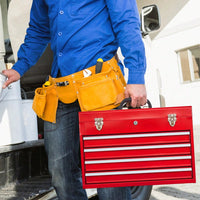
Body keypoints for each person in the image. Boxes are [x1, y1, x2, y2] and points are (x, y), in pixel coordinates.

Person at [2, 0, 147, 199]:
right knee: (60, 171)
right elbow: (39, 29)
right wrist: (20, 67)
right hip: (61, 87)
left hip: (100, 84)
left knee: (107, 173)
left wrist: (137, 75)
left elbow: (126, 21)